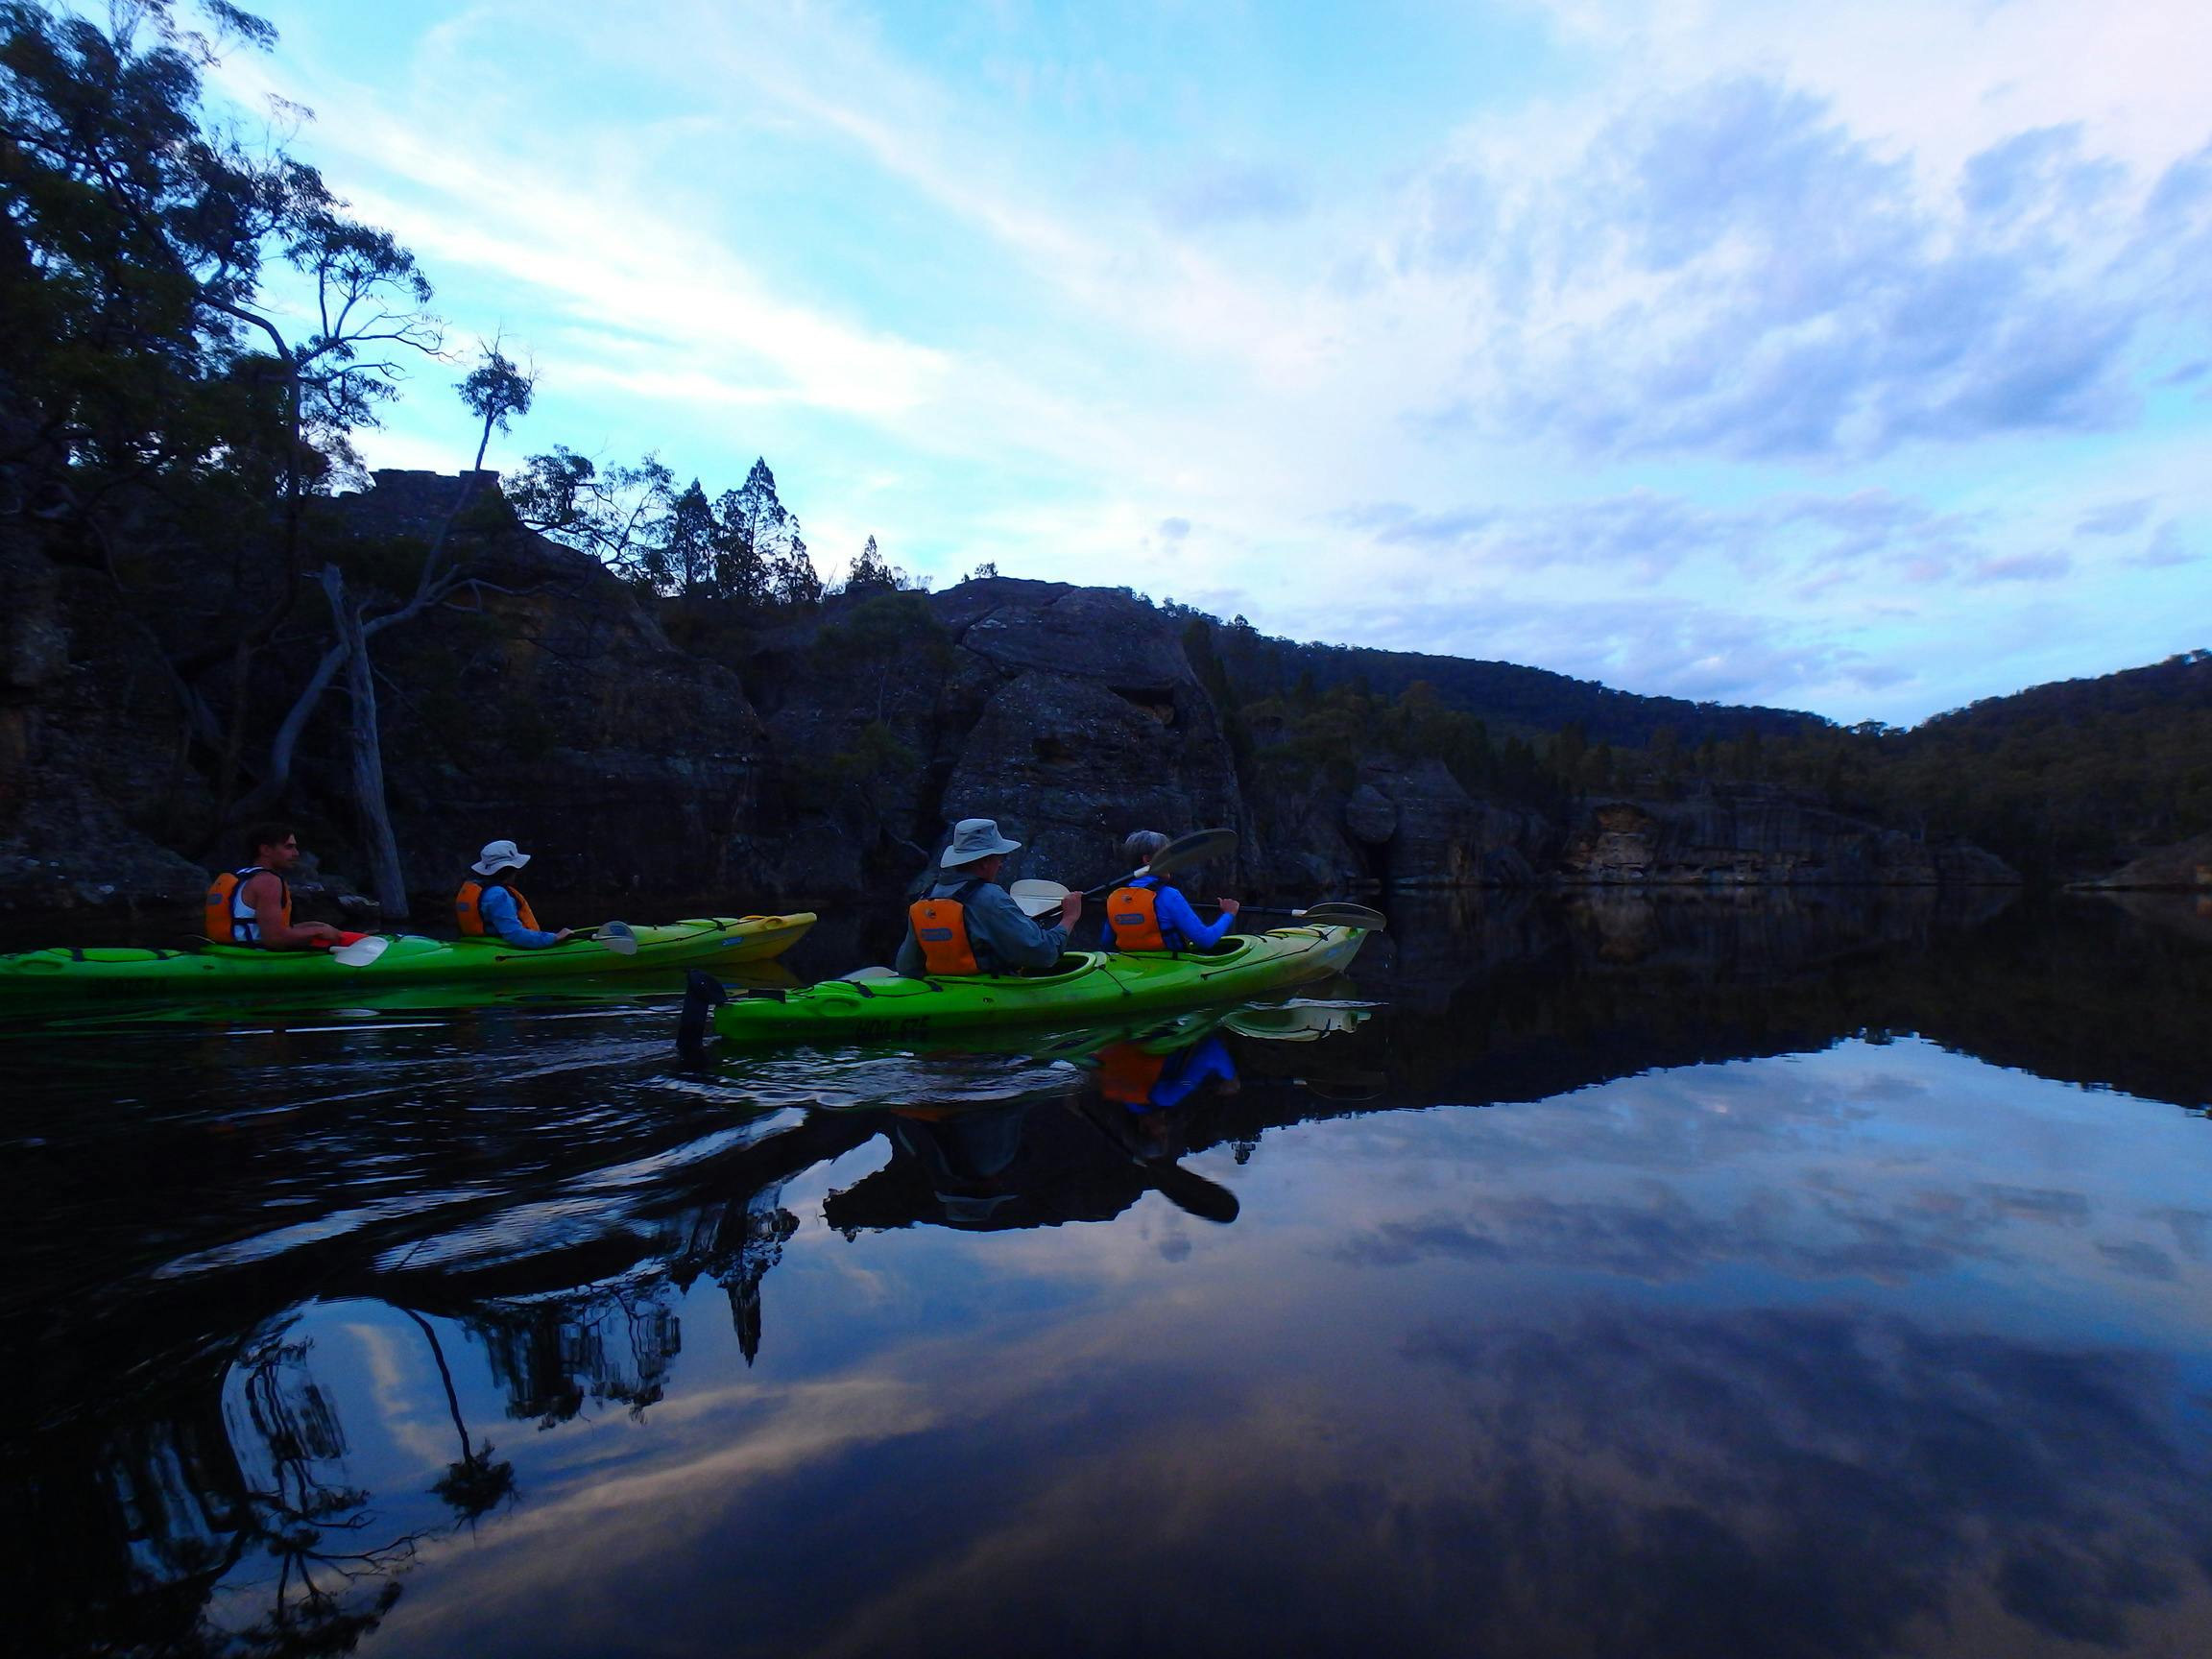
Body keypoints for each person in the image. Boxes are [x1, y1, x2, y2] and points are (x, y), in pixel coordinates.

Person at [895, 817, 1079, 976]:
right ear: (984, 863)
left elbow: (906, 967)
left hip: (944, 991)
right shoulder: (991, 898)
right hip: (987, 994)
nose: (1000, 865)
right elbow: (1043, 953)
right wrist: (1069, 918)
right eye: (1000, 858)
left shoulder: (924, 898)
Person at [204, 824, 349, 950]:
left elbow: (260, 927)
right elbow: (275, 939)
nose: (296, 853)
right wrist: (317, 932)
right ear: (266, 850)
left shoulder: (242, 877)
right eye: (289, 847)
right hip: (252, 956)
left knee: (322, 929)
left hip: (224, 950)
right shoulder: (269, 881)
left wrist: (315, 926)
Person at [1099, 829, 1239, 952]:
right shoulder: (1168, 896)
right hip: (1170, 968)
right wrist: (1229, 914)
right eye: (1166, 856)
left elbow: (1106, 944)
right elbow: (1206, 941)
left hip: (1129, 969)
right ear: (1147, 860)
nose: (1173, 862)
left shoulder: (1114, 897)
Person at [454, 838, 574, 947]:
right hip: (501, 949)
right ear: (510, 869)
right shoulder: (497, 894)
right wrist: (554, 938)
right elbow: (515, 935)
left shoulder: (474, 886)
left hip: (478, 945)